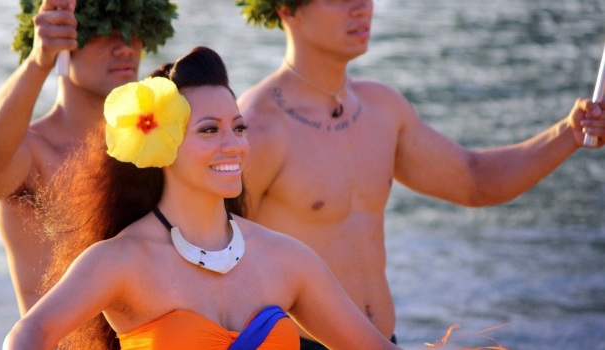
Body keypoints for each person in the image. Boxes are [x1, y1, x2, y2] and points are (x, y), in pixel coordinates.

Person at [234, 0, 605, 348]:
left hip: (386, 340)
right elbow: (211, 256)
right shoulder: (256, 129)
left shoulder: (382, 108)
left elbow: (475, 181)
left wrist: (570, 134)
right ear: (286, 9)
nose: (362, 6)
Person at [2, 46, 402, 350]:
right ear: (164, 146)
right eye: (210, 131)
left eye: (239, 128)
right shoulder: (122, 261)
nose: (235, 146)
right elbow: (31, 331)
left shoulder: (287, 260)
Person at [0, 0, 178, 315]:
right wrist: (39, 61)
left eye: (133, 30)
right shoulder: (33, 153)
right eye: (101, 32)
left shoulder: (155, 145)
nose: (124, 47)